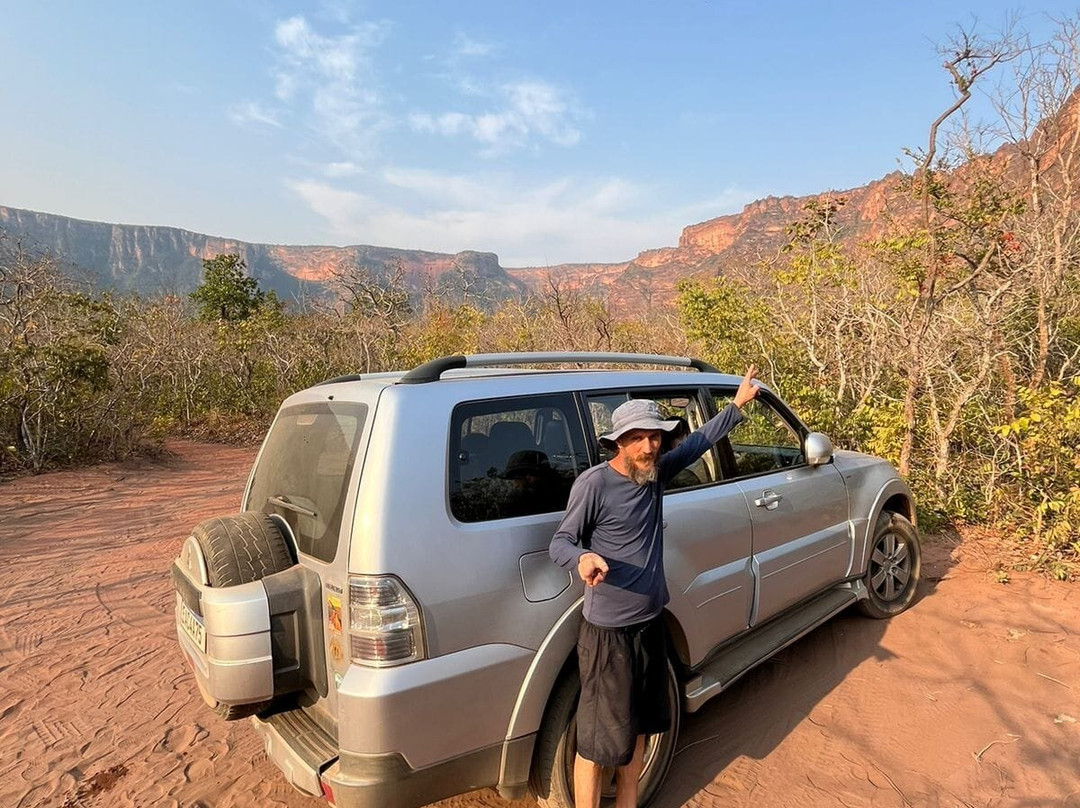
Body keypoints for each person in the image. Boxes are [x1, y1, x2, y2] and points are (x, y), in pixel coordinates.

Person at [549, 366, 761, 808]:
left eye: (655, 437)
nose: (649, 446)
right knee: (596, 744)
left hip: (650, 626)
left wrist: (736, 406)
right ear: (619, 442)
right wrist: (582, 558)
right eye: (639, 438)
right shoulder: (594, 484)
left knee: (642, 730)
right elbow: (561, 541)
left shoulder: (656, 473)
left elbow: (700, 441)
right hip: (609, 635)